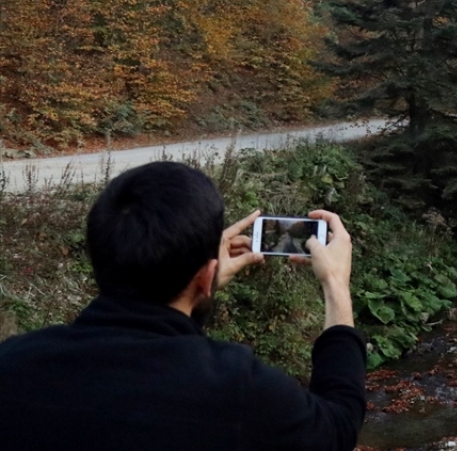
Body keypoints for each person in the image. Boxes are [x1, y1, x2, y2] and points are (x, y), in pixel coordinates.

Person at [0, 161, 366, 451]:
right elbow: (338, 426)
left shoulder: (13, 363)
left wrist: (196, 288)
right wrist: (335, 284)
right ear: (207, 277)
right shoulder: (238, 391)